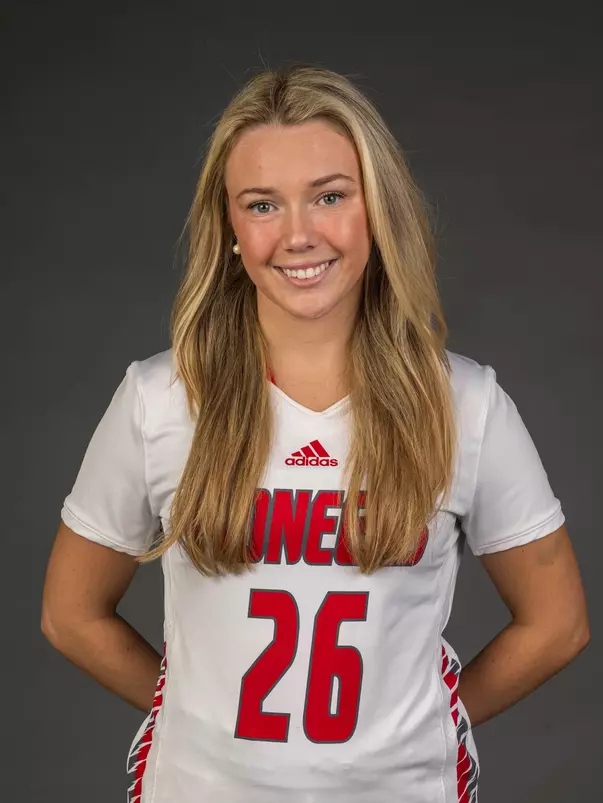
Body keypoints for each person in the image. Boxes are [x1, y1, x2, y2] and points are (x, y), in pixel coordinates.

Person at [41, 63, 590, 803]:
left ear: (377, 209)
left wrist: (422, 723)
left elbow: (556, 623)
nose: (298, 234)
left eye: (329, 196)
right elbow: (70, 613)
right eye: (262, 204)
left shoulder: (463, 403)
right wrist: (201, 724)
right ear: (230, 228)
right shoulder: (161, 398)